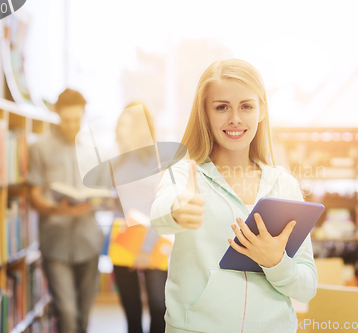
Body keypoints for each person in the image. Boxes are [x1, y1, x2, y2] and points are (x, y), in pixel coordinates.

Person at [150, 59, 318, 333]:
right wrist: (177, 209)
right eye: (221, 107)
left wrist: (275, 262)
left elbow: (307, 287)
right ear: (205, 113)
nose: (235, 118)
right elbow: (159, 216)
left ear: (261, 110)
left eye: (246, 106)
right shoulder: (184, 174)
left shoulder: (284, 185)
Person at [27, 88, 106, 333]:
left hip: (89, 241)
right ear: (57, 114)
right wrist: (56, 208)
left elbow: (105, 194)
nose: (72, 125)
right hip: (55, 242)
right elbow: (34, 194)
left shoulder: (95, 148)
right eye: (67, 119)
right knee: (67, 314)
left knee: (83, 316)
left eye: (77, 119)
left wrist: (94, 201)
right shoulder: (40, 147)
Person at [110, 102, 167, 333]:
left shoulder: (161, 161)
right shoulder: (116, 162)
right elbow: (118, 206)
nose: (120, 128)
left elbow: (162, 208)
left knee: (158, 307)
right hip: (124, 242)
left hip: (154, 242)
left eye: (126, 123)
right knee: (131, 312)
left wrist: (144, 249)